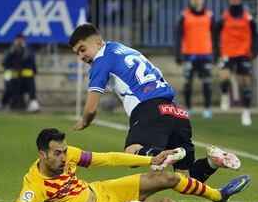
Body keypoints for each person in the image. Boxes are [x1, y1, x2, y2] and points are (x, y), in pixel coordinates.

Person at [68, 23, 241, 184]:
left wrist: (85, 121)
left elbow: (91, 109)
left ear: (98, 42)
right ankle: (213, 162)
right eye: (77, 53)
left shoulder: (101, 60)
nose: (81, 56)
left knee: (131, 153)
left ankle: (161, 155)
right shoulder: (124, 49)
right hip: (175, 111)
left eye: (83, 49)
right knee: (185, 178)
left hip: (149, 109)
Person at [3, 128, 258, 202]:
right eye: (57, 153)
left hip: (103, 190)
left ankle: (218, 195)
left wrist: (152, 159)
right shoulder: (35, 186)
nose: (63, 157)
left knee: (167, 176)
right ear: (42, 155)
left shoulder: (68, 154)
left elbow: (107, 159)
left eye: (64, 151)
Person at [215, 0, 257, 126]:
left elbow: (256, 35)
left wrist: (254, 50)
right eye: (232, 0)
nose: (235, 3)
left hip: (243, 53)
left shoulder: (248, 18)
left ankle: (246, 111)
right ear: (229, 2)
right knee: (224, 76)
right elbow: (214, 33)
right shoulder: (224, 17)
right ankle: (225, 94)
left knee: (246, 82)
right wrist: (216, 51)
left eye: (237, 0)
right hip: (227, 52)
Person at [176, 0, 214, 118]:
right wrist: (178, 53)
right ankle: (189, 108)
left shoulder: (210, 15)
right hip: (189, 54)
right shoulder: (184, 15)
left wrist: (216, 52)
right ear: (190, 0)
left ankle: (207, 109)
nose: (196, 0)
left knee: (207, 83)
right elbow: (178, 35)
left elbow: (214, 35)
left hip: (206, 54)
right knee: (188, 83)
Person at [2, 34, 40, 112]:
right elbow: (5, 63)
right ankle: (17, 105)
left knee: (31, 92)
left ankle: (33, 105)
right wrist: (11, 51)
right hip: (16, 76)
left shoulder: (28, 48)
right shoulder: (12, 49)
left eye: (21, 39)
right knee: (17, 93)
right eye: (18, 39)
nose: (19, 41)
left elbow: (30, 59)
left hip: (27, 74)